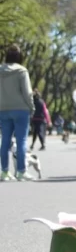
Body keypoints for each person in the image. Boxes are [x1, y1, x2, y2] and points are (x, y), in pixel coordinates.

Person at [0, 44, 34, 181]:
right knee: (21, 140)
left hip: (3, 109)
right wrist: (32, 107)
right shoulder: (22, 71)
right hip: (21, 109)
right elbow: (27, 92)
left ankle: (4, 172)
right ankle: (21, 171)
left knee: (5, 141)